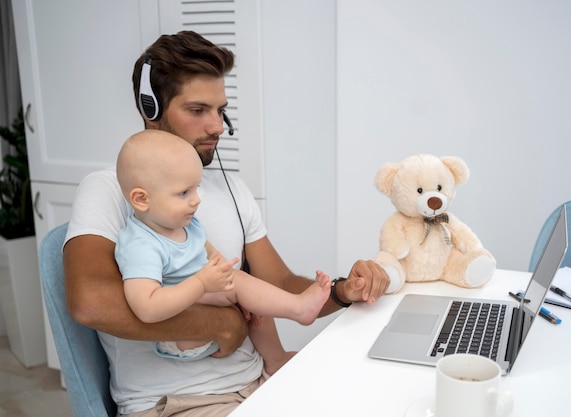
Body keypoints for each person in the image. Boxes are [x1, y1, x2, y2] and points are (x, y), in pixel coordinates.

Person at [63, 30, 390, 416]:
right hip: (178, 403)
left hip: (258, 383)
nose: (217, 126)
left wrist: (341, 290)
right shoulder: (110, 189)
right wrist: (219, 324)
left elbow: (280, 286)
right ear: (150, 108)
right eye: (198, 110)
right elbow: (91, 302)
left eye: (221, 110)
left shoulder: (229, 187)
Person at [115, 129, 331, 371]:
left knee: (255, 294)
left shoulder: (186, 225)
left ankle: (275, 358)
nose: (196, 200)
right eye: (184, 193)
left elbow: (213, 257)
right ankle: (299, 308)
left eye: (196, 188)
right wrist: (203, 284)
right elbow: (146, 308)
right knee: (240, 284)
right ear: (142, 199)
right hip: (178, 333)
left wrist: (234, 290)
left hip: (203, 305)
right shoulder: (140, 245)